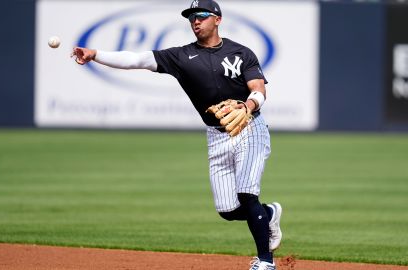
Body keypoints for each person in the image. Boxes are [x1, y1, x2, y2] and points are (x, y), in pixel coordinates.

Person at [71, 0, 282, 269]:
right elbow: (137, 59)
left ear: (217, 19)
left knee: (247, 194)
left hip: (249, 128)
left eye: (202, 15)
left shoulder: (241, 53)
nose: (196, 20)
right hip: (216, 135)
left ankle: (265, 261)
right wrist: (95, 54)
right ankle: (269, 213)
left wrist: (247, 106)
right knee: (228, 210)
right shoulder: (181, 57)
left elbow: (259, 89)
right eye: (191, 17)